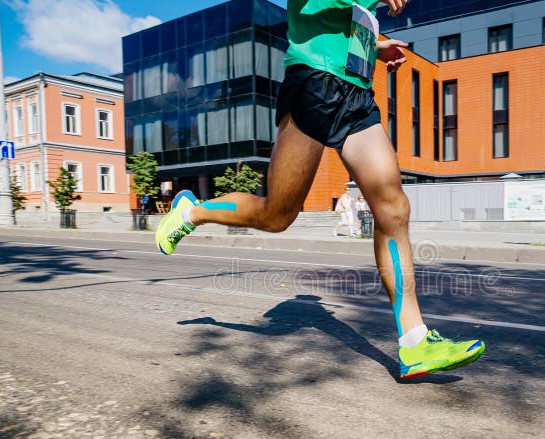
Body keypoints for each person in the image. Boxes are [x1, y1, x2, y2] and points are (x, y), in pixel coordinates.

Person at [155, 0, 484, 379]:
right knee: (276, 216)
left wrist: (376, 45)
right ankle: (192, 211)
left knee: (393, 207)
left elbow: (342, 22)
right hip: (313, 83)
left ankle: (415, 342)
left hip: (357, 97)